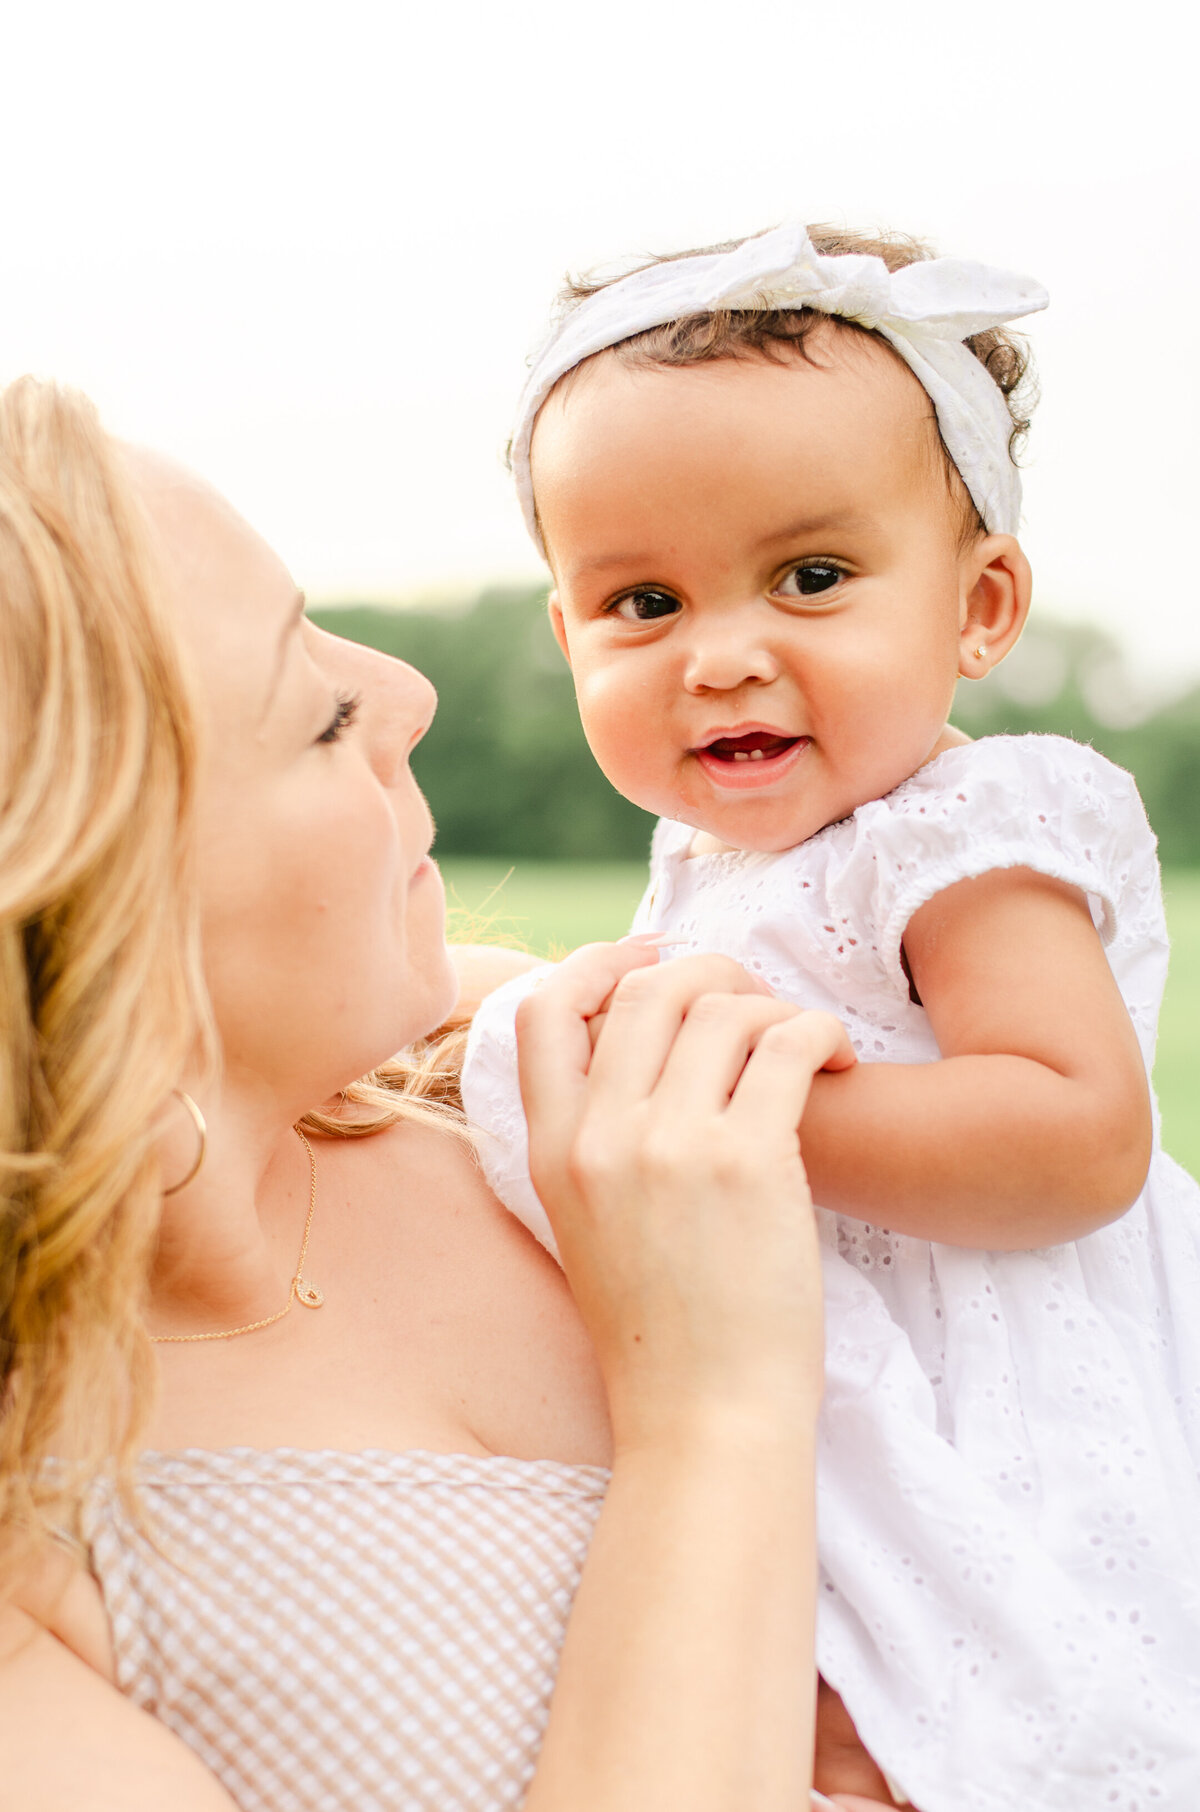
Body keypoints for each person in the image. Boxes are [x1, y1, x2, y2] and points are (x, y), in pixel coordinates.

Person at [0, 375, 889, 1810]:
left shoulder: (522, 1090)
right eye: (315, 714)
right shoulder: (38, 1578)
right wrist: (713, 1413)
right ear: (104, 925)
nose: (408, 695)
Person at [463, 221, 1200, 1810]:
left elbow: (1075, 1130)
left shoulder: (959, 830)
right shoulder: (703, 875)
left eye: (811, 578)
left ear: (980, 606)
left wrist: (727, 1112)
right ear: (566, 633)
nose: (724, 657)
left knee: (1011, 1679)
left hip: (1004, 1385)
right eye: (641, 601)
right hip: (830, 1383)